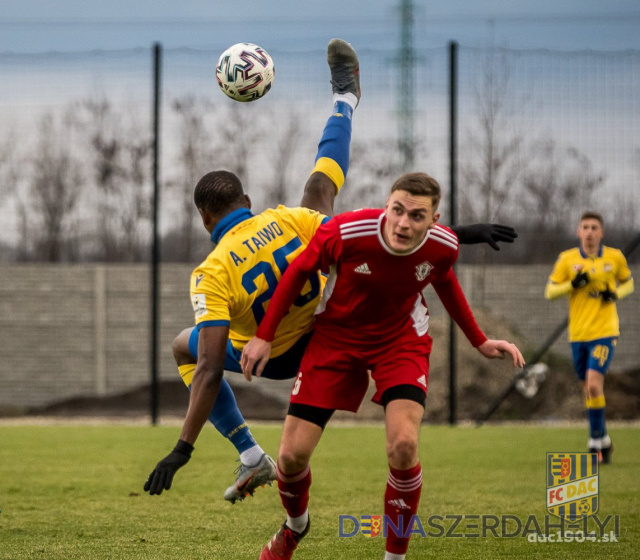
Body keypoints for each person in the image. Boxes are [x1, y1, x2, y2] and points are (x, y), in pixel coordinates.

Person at [144, 39, 517, 506]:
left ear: (204, 220)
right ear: (248, 204)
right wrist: (459, 232)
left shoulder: (210, 273)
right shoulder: (286, 220)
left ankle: (249, 453)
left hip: (279, 356)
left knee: (186, 347)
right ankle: (345, 100)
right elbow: (377, 233)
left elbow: (210, 368)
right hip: (326, 331)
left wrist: (182, 449)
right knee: (319, 189)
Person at [241, 172, 525, 560]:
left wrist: (479, 339)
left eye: (417, 215)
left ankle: (395, 557)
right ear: (387, 205)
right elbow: (298, 271)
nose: (404, 223)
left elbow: (444, 282)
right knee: (290, 458)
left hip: (400, 341)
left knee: (404, 447)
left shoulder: (443, 246)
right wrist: (264, 334)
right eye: (398, 210)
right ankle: (295, 527)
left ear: (434, 221)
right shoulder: (347, 231)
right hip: (334, 340)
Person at [545, 211, 633, 464]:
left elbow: (629, 283)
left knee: (594, 384)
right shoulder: (567, 259)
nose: (590, 232)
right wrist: (572, 285)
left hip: (604, 333)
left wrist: (614, 294)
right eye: (585, 227)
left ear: (601, 232)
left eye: (595, 227)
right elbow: (550, 292)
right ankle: (604, 439)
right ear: (578, 232)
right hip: (578, 335)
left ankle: (594, 442)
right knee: (589, 390)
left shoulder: (614, 257)